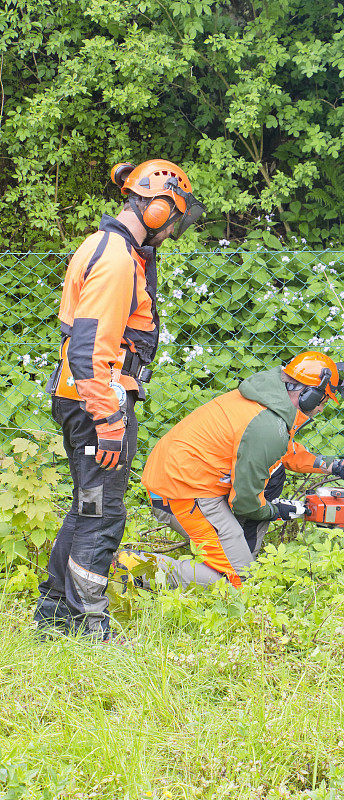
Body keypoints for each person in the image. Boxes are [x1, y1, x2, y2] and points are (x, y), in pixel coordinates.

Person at [34, 159, 206, 639]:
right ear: (157, 209)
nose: (172, 231)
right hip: (98, 404)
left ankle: (55, 614)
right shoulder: (115, 260)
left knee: (86, 505)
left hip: (83, 399)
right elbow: (89, 351)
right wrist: (109, 419)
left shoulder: (109, 247)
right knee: (103, 512)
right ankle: (90, 624)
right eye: (174, 220)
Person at [125, 351, 344, 590]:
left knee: (274, 473)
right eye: (322, 401)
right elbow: (246, 502)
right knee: (238, 582)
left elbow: (284, 452)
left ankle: (230, 555)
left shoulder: (266, 401)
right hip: (182, 492)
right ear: (309, 395)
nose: (321, 409)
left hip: (192, 482)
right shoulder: (268, 424)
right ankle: (132, 567)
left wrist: (336, 466)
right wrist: (277, 511)